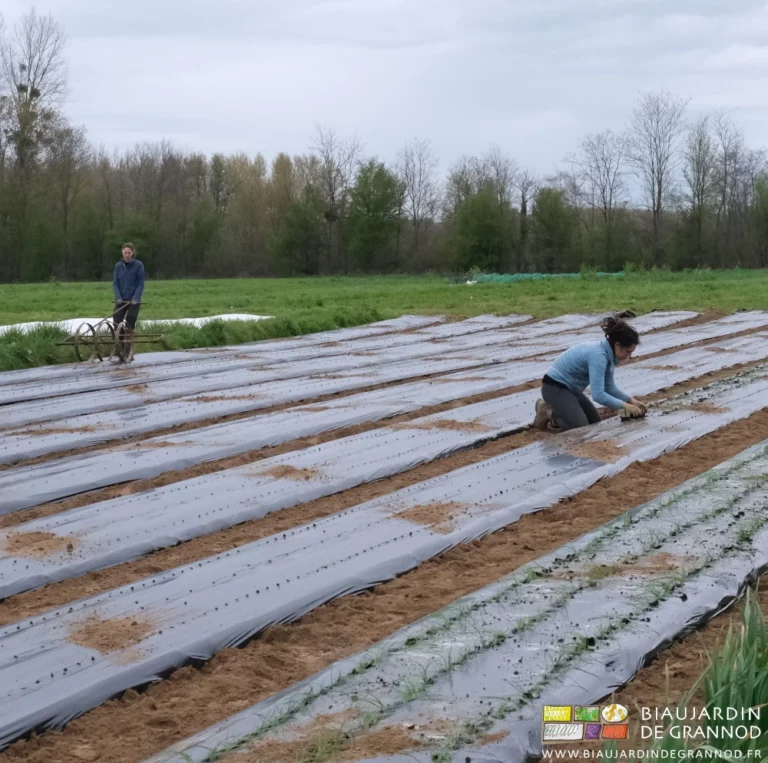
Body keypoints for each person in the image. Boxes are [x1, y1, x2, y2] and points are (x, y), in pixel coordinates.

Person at [533, 314, 647, 432]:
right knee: (581, 427)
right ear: (617, 345)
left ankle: (562, 410)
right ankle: (548, 412)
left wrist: (630, 400)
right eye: (628, 352)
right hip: (555, 387)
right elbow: (598, 395)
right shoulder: (598, 356)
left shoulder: (609, 356)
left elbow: (609, 387)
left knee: (595, 423)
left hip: (572, 390)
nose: (630, 356)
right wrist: (625, 406)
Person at [112, 243, 145, 352]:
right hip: (121, 299)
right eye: (125, 253)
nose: (127, 255)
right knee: (116, 319)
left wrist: (136, 298)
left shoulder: (139, 265)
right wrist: (118, 297)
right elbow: (115, 283)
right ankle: (118, 345)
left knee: (130, 320)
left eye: (129, 253)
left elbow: (140, 283)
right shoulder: (118, 266)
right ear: (122, 253)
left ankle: (128, 346)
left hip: (133, 301)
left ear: (132, 253)